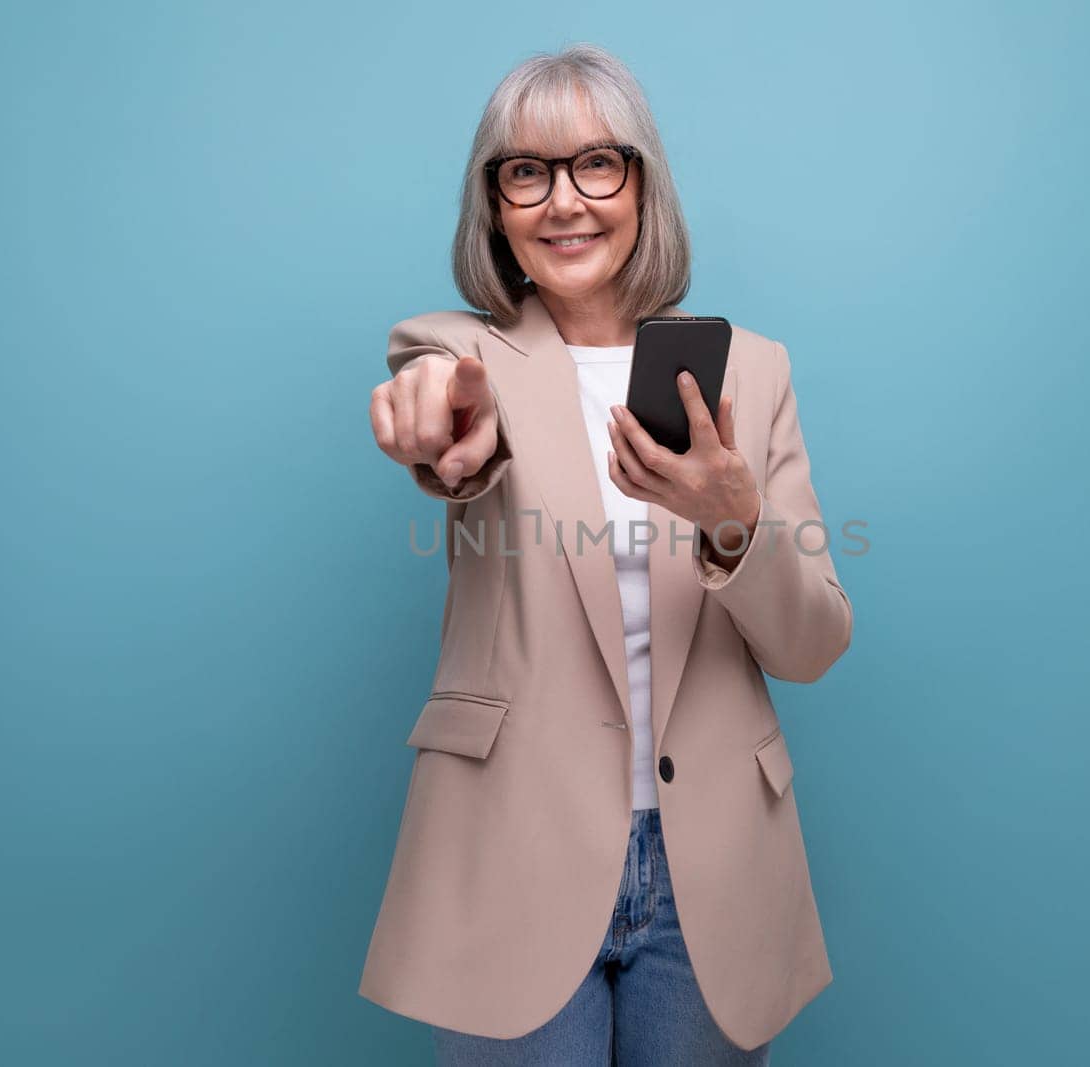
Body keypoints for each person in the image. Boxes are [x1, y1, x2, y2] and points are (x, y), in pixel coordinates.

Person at [362, 43, 853, 1065]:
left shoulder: (751, 373)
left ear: (641, 185)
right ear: (494, 205)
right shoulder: (459, 351)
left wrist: (733, 522)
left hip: (709, 865)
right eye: (525, 172)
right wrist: (443, 430)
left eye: (597, 164)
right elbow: (456, 427)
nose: (563, 202)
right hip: (515, 847)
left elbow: (812, 645)